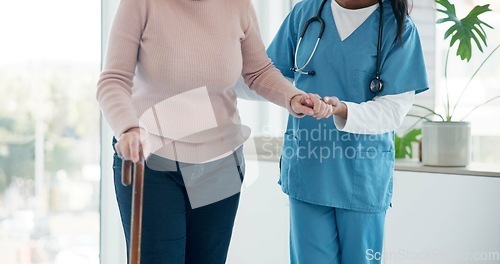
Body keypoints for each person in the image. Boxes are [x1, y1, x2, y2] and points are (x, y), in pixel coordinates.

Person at [96, 0, 332, 263]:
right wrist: (128, 128)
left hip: (221, 164)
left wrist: (293, 97)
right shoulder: (141, 4)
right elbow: (113, 80)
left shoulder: (238, 5)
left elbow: (257, 71)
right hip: (152, 159)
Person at [266, 0, 429, 263]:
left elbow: (392, 110)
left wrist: (342, 109)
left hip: (361, 176)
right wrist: (294, 96)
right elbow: (269, 75)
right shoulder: (306, 13)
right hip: (310, 169)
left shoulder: (397, 28)